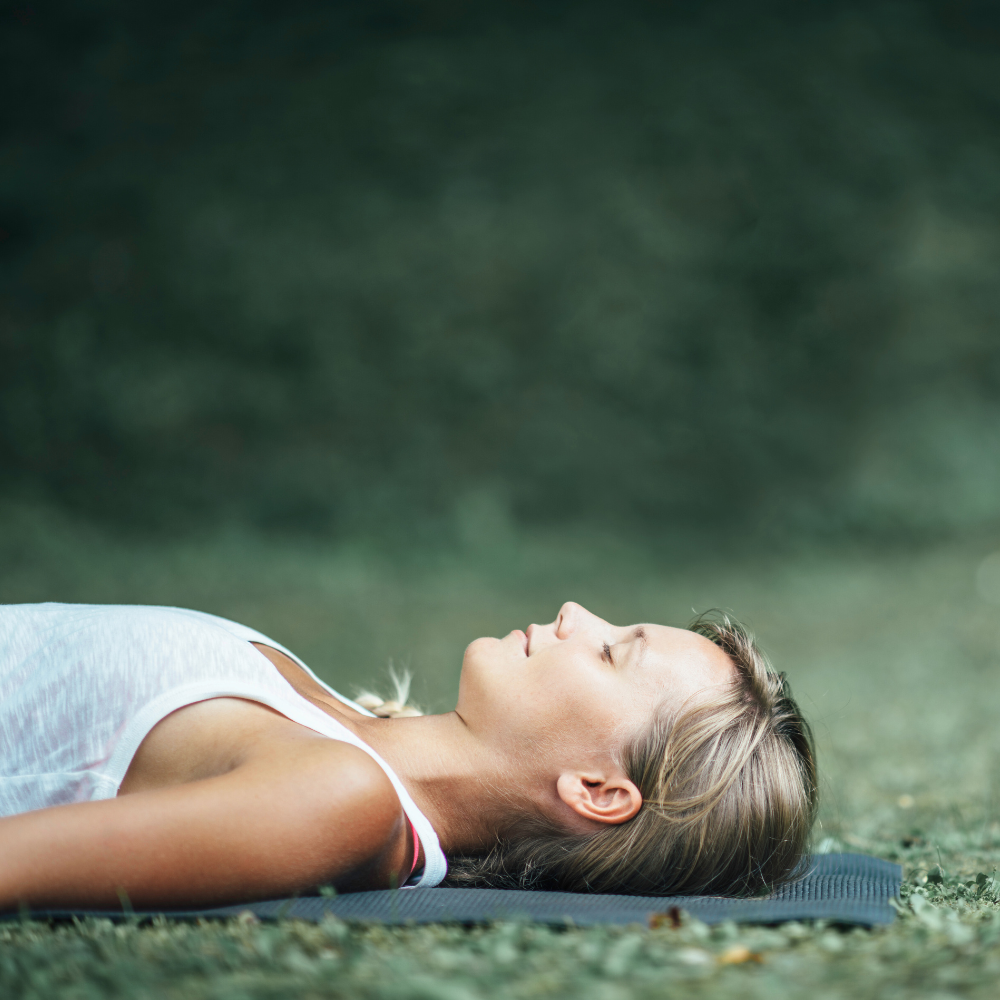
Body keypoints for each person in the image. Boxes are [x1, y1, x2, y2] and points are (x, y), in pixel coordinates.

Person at [0, 600, 816, 910]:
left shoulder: (340, 797)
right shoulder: (346, 729)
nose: (576, 611)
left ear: (599, 790)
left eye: (611, 653)